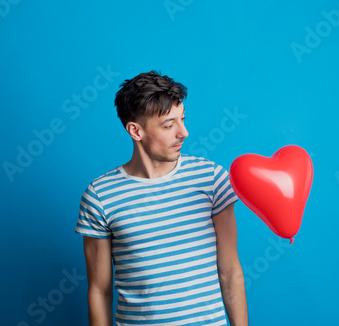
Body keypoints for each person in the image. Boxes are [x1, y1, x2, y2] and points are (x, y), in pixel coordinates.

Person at [75, 71, 248, 326]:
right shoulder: (100, 196)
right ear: (136, 131)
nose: (184, 132)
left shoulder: (211, 178)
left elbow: (230, 271)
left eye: (183, 119)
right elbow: (100, 291)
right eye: (169, 125)